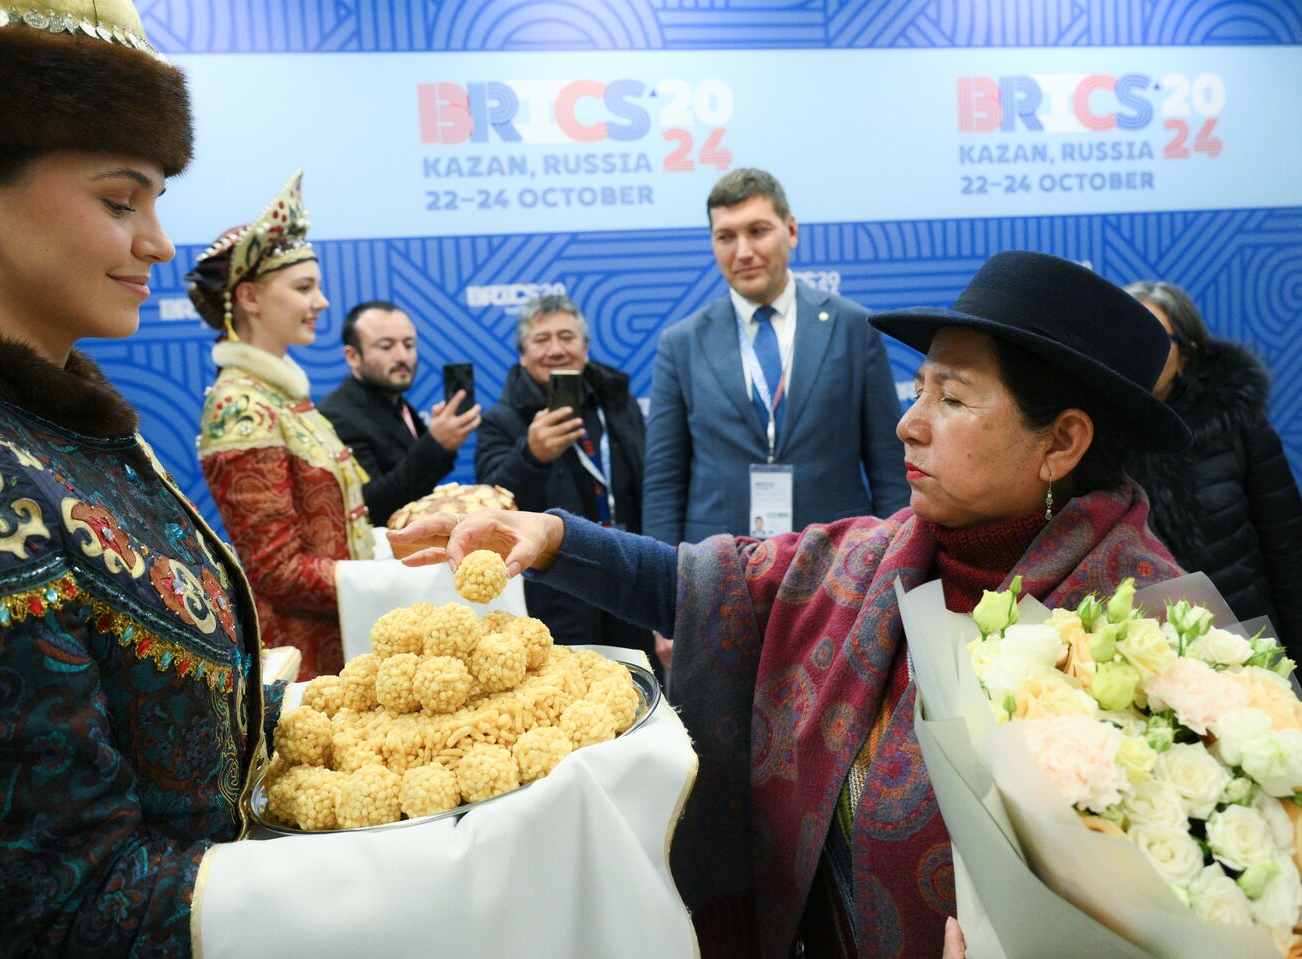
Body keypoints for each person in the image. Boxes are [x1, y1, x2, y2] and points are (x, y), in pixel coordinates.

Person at [391, 251, 1191, 959]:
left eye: (951, 399)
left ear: (1061, 442)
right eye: (918, 389)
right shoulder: (876, 557)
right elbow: (717, 582)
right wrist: (553, 535)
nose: (910, 423)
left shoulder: (1156, 642)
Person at [0, 4, 278, 953]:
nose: (156, 241)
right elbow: (58, 904)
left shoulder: (52, 423)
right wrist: (437, 872)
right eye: (121, 201)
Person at [643, 167, 908, 547]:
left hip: (836, 564)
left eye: (757, 231)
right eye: (725, 237)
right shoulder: (682, 342)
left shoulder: (852, 328)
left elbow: (888, 469)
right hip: (720, 568)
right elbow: (664, 481)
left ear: (792, 231)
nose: (744, 251)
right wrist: (663, 577)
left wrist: (893, 561)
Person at [188, 172, 373, 680]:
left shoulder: (282, 397)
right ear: (249, 297)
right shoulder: (242, 407)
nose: (323, 303)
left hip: (342, 640)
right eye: (304, 287)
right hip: (301, 661)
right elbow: (278, 572)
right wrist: (386, 578)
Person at [1123, 280, 1302, 660]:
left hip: (1244, 637)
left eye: (1156, 338)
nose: (1140, 352)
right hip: (1143, 649)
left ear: (1187, 354)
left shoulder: (1234, 421)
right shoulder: (1091, 437)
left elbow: (1286, 546)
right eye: (1128, 336)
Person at [475, 293, 653, 663]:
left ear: (585, 348)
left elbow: (651, 487)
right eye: (541, 340)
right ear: (523, 355)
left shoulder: (617, 403)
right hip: (558, 592)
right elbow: (491, 506)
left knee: (640, 688)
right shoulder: (502, 421)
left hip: (629, 575)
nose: (555, 349)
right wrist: (531, 456)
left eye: (567, 337)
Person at [318, 300, 481, 524]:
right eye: (386, 346)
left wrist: (440, 445)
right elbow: (370, 506)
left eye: (409, 344)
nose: (402, 356)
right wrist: (436, 444)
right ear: (352, 356)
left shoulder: (397, 402)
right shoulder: (335, 415)